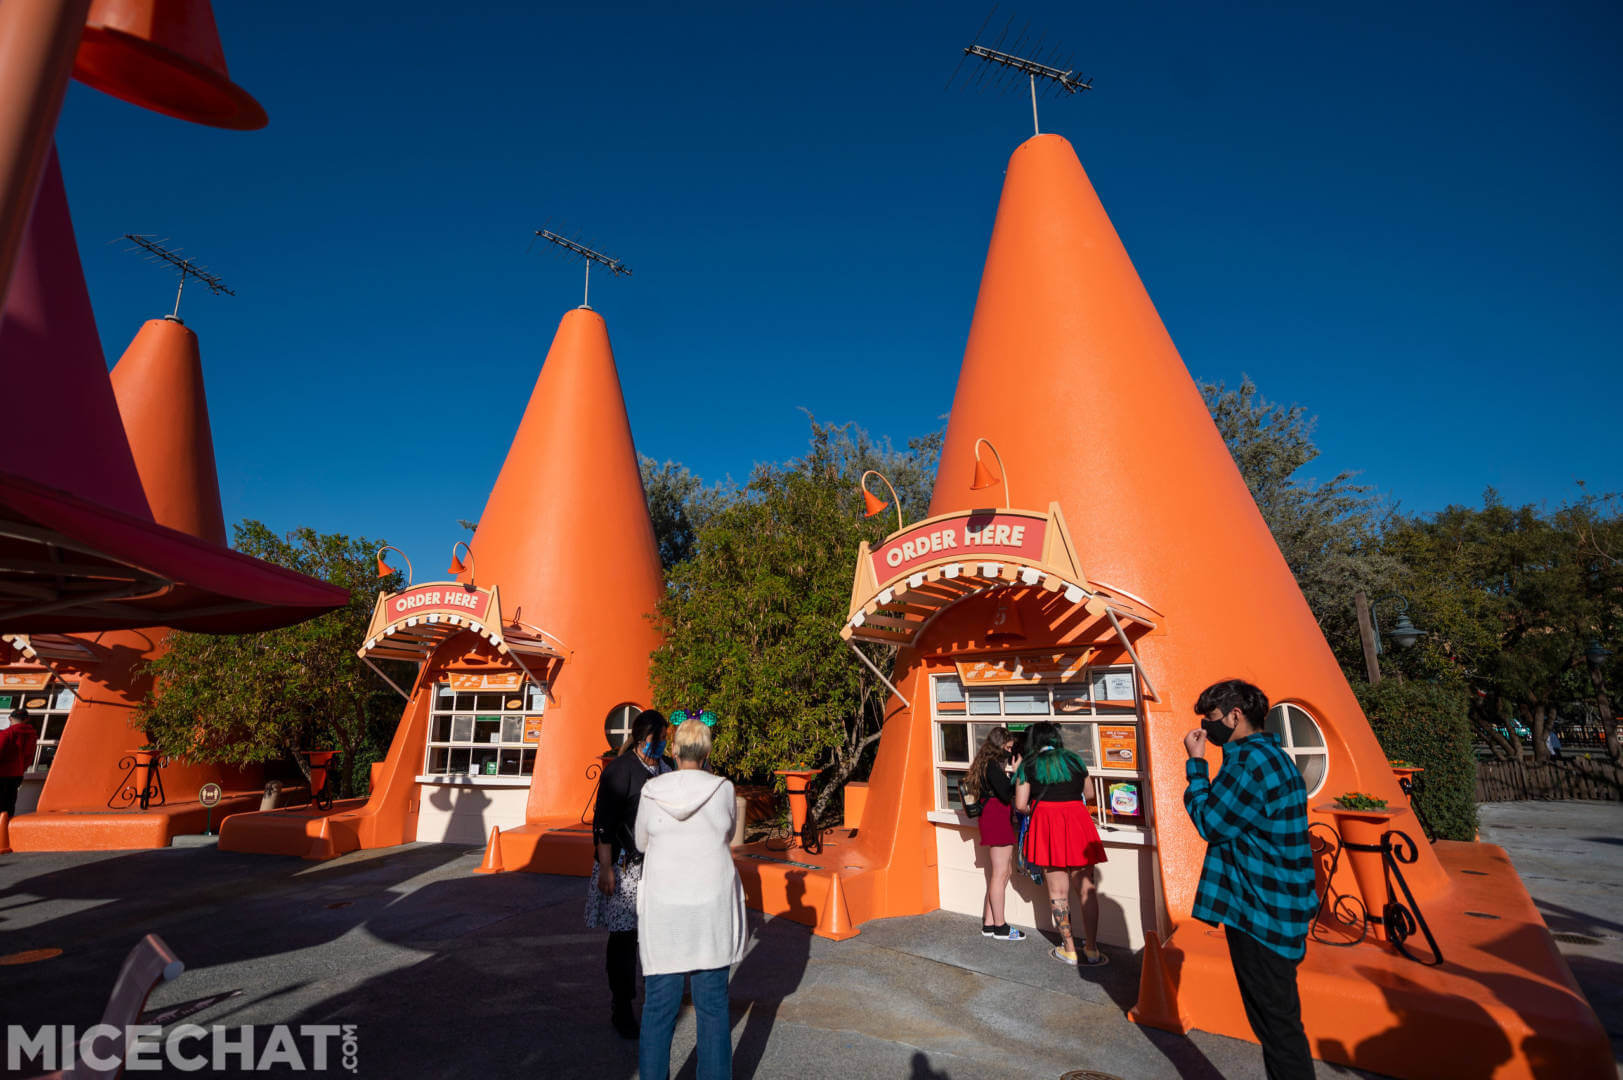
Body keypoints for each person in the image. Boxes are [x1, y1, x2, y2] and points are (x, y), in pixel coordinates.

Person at [1184, 678, 1317, 1080]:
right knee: (1281, 1022)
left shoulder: (1248, 763)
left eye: (1212, 720)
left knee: (1277, 1028)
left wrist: (1195, 764)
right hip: (1282, 905)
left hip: (1261, 912)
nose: (1208, 730)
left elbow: (1211, 822)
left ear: (1235, 715)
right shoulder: (1276, 757)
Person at [634, 716, 747, 1080]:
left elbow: (640, 842)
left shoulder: (653, 791)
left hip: (664, 907)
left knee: (659, 1008)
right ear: (707, 751)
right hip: (710, 907)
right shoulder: (723, 789)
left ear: (674, 749)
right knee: (712, 1006)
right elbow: (728, 833)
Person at [587, 708, 673, 1039]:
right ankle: (621, 1004)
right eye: (657, 739)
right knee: (624, 939)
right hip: (624, 866)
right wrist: (606, 868)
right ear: (640, 739)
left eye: (664, 738)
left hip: (659, 865)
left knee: (655, 935)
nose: (662, 744)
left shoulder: (668, 768)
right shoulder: (620, 772)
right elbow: (604, 826)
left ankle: (657, 997)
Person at [1012, 721, 1108, 965]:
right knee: (1087, 888)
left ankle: (1069, 949)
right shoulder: (1075, 760)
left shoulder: (1028, 765)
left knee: (1058, 891)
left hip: (1047, 823)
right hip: (1077, 821)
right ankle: (1093, 949)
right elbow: (1089, 794)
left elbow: (1021, 805)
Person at [962, 726, 1026, 942]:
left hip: (993, 817)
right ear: (999, 745)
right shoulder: (991, 767)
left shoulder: (986, 764)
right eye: (1007, 748)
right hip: (996, 818)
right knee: (1000, 873)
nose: (1010, 752)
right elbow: (1006, 793)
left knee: (1002, 872)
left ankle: (989, 923)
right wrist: (1017, 771)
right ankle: (1001, 927)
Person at [0, 707, 39, 818]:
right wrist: (22, 768)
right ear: (26, 719)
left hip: (2, 773)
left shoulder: (7, 733)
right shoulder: (32, 735)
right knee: (10, 804)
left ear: (10, 718)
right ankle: (6, 828)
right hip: (17, 774)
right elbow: (30, 756)